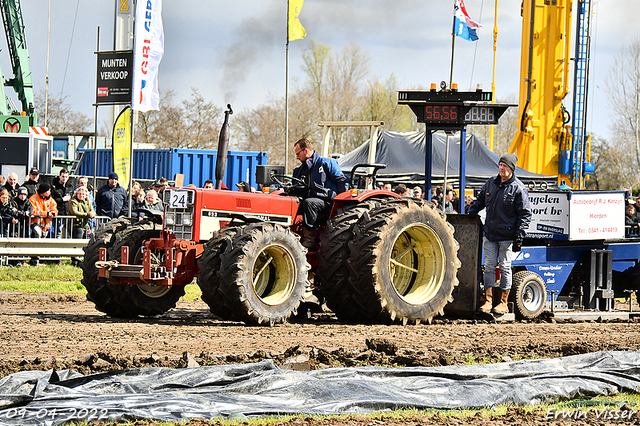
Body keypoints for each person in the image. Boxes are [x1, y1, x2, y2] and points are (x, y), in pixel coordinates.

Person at [467, 153, 532, 315]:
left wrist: (519, 235)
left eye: (505, 166)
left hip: (507, 237)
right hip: (490, 234)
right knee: (488, 267)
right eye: (500, 165)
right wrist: (472, 210)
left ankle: (503, 302)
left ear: (511, 169)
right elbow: (480, 200)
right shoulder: (491, 183)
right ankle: (488, 300)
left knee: (504, 267)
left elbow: (525, 214)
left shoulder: (518, 188)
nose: (502, 168)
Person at [290, 138, 348, 249]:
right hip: (310, 202)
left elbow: (341, 182)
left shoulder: (326, 163)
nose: (297, 157)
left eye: (298, 154)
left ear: (306, 151)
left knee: (310, 203)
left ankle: (309, 240)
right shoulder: (300, 170)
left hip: (327, 202)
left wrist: (341, 206)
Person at [52, 169, 74, 237]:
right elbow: (52, 200)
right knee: (58, 232)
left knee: (70, 233)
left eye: (66, 177)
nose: (64, 178)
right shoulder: (54, 187)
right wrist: (62, 199)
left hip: (68, 213)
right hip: (59, 213)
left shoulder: (70, 187)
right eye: (63, 176)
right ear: (59, 176)